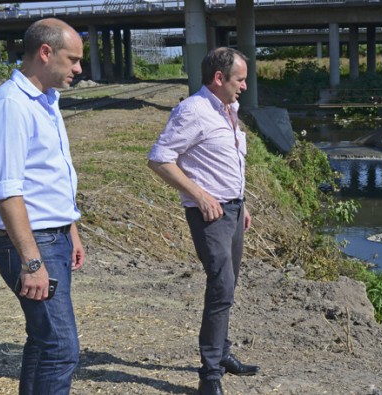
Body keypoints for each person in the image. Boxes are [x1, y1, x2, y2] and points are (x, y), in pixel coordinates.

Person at [0, 18, 86, 394]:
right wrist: (32, 261)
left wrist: (70, 228)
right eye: (72, 59)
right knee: (61, 348)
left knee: (44, 341)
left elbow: (47, 176)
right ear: (45, 53)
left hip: (52, 238)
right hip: (31, 244)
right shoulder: (11, 106)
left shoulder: (46, 101)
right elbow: (7, 191)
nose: (78, 69)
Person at [147, 47, 258, 395]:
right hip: (210, 214)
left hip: (234, 210)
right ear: (219, 78)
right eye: (240, 80)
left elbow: (228, 163)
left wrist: (242, 202)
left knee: (229, 285)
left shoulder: (229, 109)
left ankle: (222, 353)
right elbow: (160, 159)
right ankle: (210, 374)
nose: (244, 86)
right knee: (221, 285)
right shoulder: (193, 111)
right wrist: (201, 195)